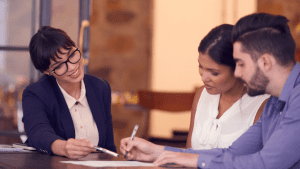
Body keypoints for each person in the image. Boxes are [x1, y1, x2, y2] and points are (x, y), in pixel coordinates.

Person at [120, 13, 300, 169]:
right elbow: (233, 153)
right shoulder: (276, 103)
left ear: (265, 63)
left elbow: (264, 164)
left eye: (241, 64)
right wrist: (156, 151)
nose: (237, 73)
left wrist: (195, 161)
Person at [22, 26, 116, 158]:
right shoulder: (36, 93)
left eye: (72, 54)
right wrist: (63, 147)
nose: (72, 67)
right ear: (47, 71)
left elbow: (108, 146)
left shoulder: (100, 87)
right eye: (59, 65)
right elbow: (37, 132)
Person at [186, 24, 269, 149]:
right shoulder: (202, 94)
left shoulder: (263, 106)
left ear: (239, 68)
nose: (203, 78)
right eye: (200, 67)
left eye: (214, 73)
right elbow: (187, 155)